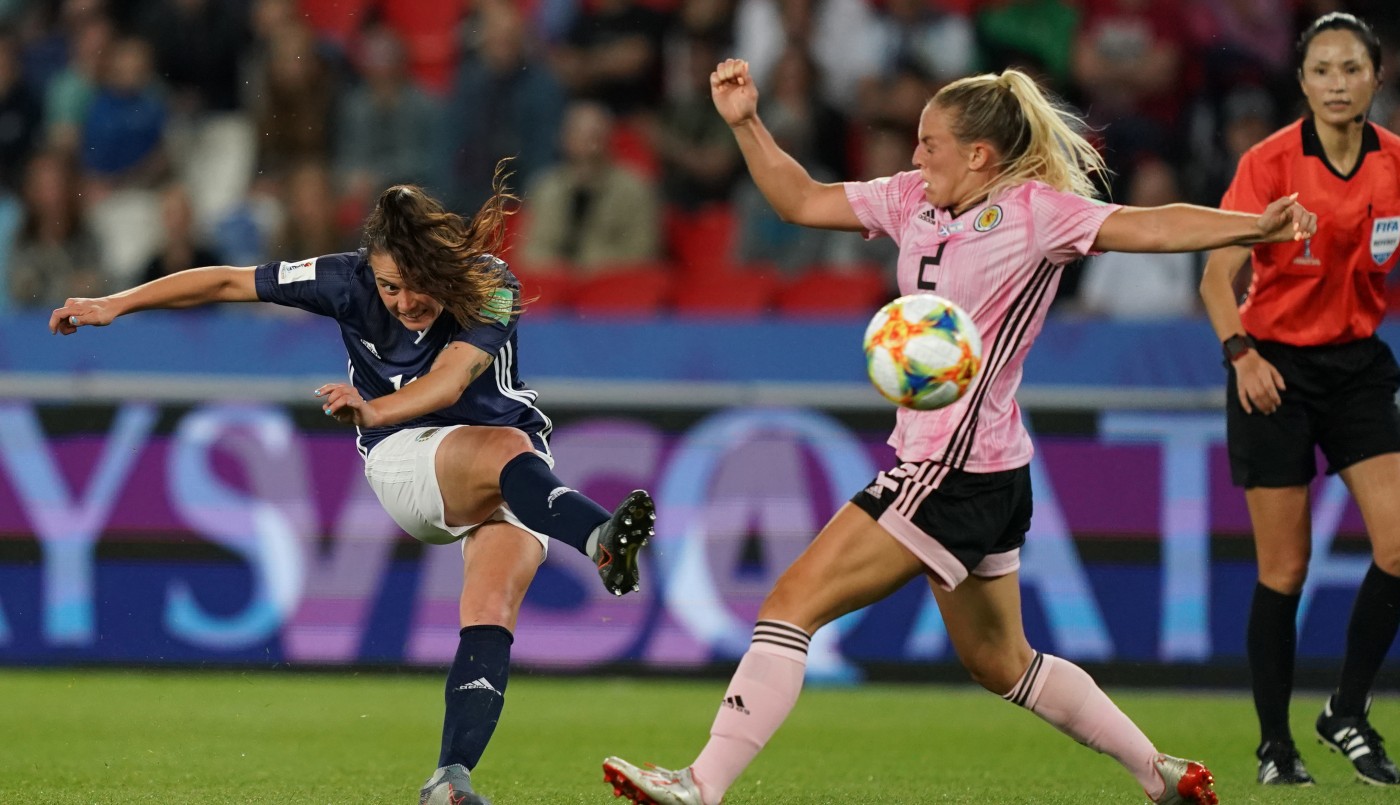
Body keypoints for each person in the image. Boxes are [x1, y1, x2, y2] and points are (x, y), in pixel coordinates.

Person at [602, 58, 1317, 805]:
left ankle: (702, 784)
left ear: (978, 154)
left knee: (789, 605)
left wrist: (1255, 226)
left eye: (929, 143)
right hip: (992, 469)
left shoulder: (1038, 213)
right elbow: (801, 199)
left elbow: (1152, 224)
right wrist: (747, 122)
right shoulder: (912, 199)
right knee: (1001, 661)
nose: (915, 155)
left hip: (950, 467)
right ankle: (1160, 773)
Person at [47, 170, 656, 805]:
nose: (404, 301)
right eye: (390, 286)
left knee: (491, 607)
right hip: (405, 458)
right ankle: (598, 539)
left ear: (444, 266)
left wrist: (370, 406)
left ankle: (449, 778)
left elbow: (450, 381)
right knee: (507, 449)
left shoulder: (492, 285)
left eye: (417, 283)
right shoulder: (344, 278)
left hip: (512, 475)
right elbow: (229, 281)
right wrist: (114, 304)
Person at [1199, 11, 1400, 788]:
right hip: (1272, 367)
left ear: (1377, 76)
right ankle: (1275, 745)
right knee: (1285, 567)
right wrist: (1241, 354)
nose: (1338, 83)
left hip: (1357, 366)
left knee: (1398, 546)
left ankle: (1345, 710)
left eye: (1352, 68)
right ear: (1303, 82)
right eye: (1322, 70)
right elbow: (1215, 278)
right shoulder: (1270, 163)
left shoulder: (1395, 163)